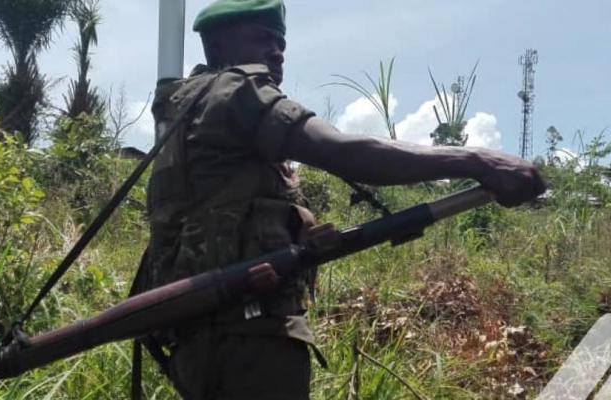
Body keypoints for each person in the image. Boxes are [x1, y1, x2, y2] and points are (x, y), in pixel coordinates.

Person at [143, 1, 546, 399]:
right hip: (249, 338)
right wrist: (478, 161)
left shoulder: (180, 107)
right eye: (263, 39)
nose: (276, 53)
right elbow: (346, 152)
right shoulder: (237, 91)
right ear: (217, 45)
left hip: (198, 338)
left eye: (281, 44)